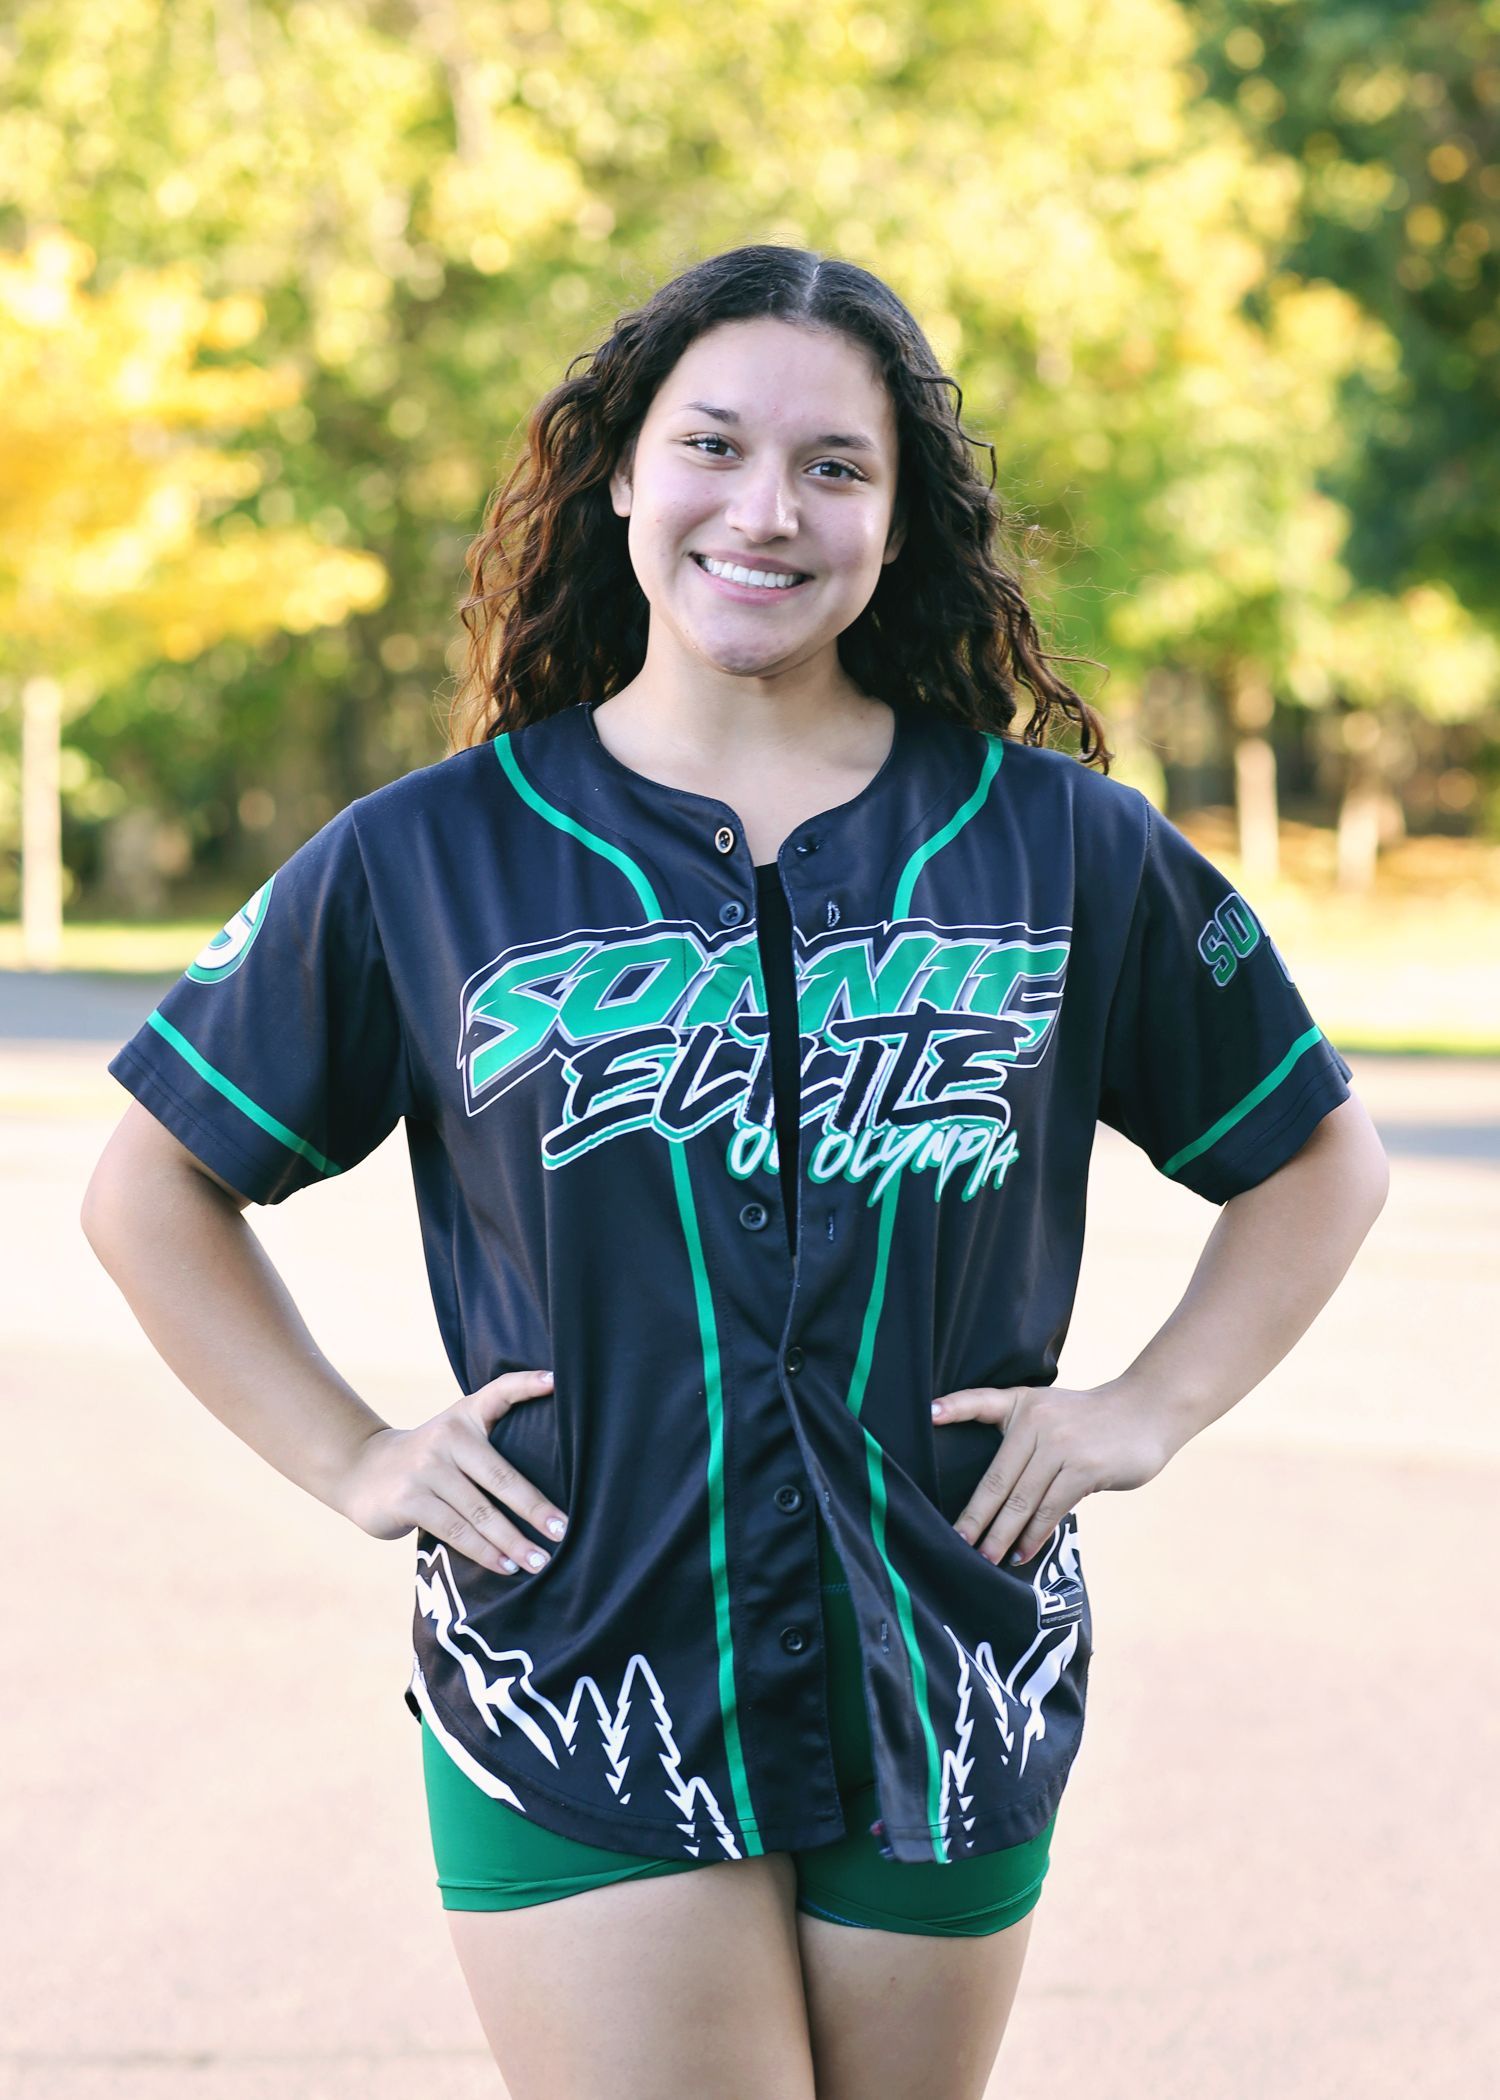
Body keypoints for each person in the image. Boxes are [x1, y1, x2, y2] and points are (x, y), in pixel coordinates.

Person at [82, 244, 1390, 2100]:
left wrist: (1146, 1410)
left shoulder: (1058, 848)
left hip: (944, 1660)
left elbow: (1316, 1159)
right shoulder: (433, 858)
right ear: (622, 470)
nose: (764, 512)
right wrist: (354, 1454)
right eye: (712, 446)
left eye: (834, 468)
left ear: (897, 515)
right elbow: (148, 1188)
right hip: (580, 1665)